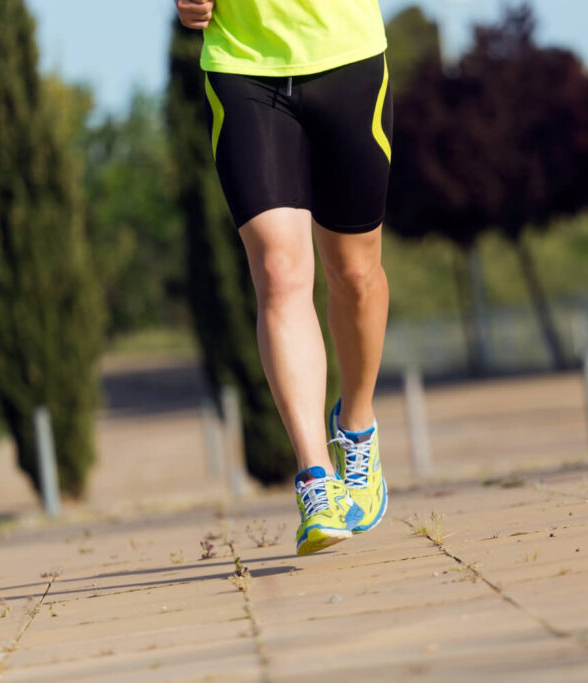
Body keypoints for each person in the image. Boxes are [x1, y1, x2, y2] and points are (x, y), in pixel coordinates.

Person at [176, 0, 393, 555]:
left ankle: (357, 425)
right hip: (242, 63)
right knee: (278, 269)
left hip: (346, 53)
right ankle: (315, 479)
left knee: (355, 270)